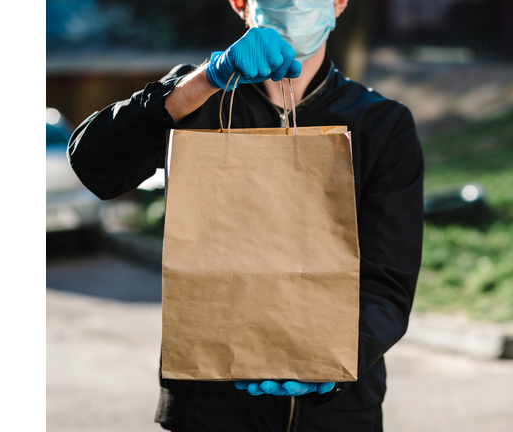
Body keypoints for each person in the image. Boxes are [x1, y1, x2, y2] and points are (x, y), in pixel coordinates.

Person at [68, 0, 424, 430]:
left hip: (338, 415)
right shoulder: (197, 101)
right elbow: (93, 165)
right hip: (210, 407)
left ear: (338, 4)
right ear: (242, 4)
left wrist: (335, 364)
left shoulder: (381, 124)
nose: (294, 5)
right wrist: (207, 80)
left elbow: (388, 280)